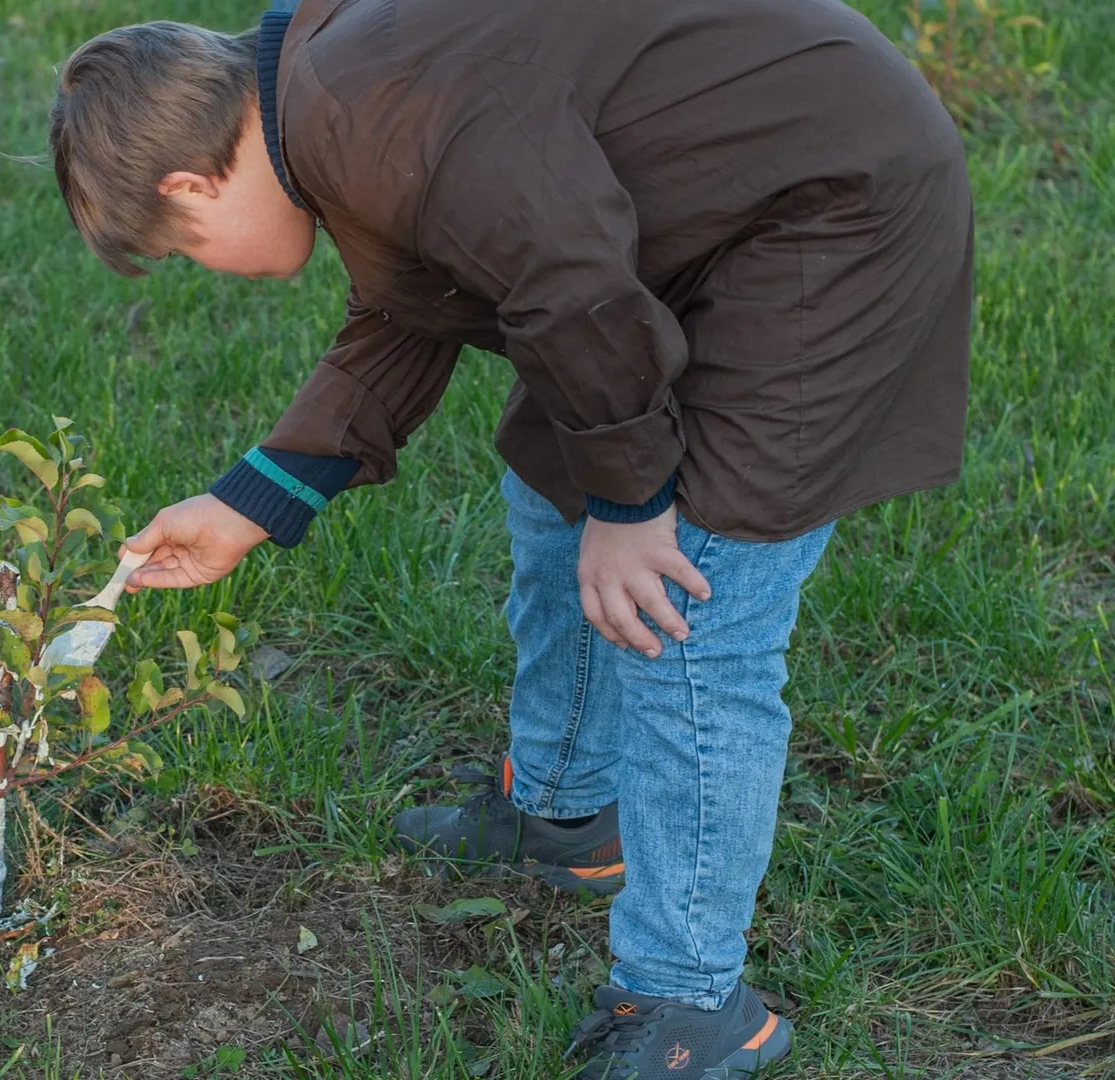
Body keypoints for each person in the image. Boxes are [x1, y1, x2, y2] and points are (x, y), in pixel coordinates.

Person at [48, 0, 971, 1075]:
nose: (208, 266)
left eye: (186, 250)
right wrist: (252, 501)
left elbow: (571, 288)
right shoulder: (324, 102)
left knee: (688, 601)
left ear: (190, 186)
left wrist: (633, 508)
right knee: (554, 478)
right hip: (698, 225)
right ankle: (567, 812)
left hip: (828, 209)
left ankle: (690, 999)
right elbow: (419, 303)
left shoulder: (376, 115)